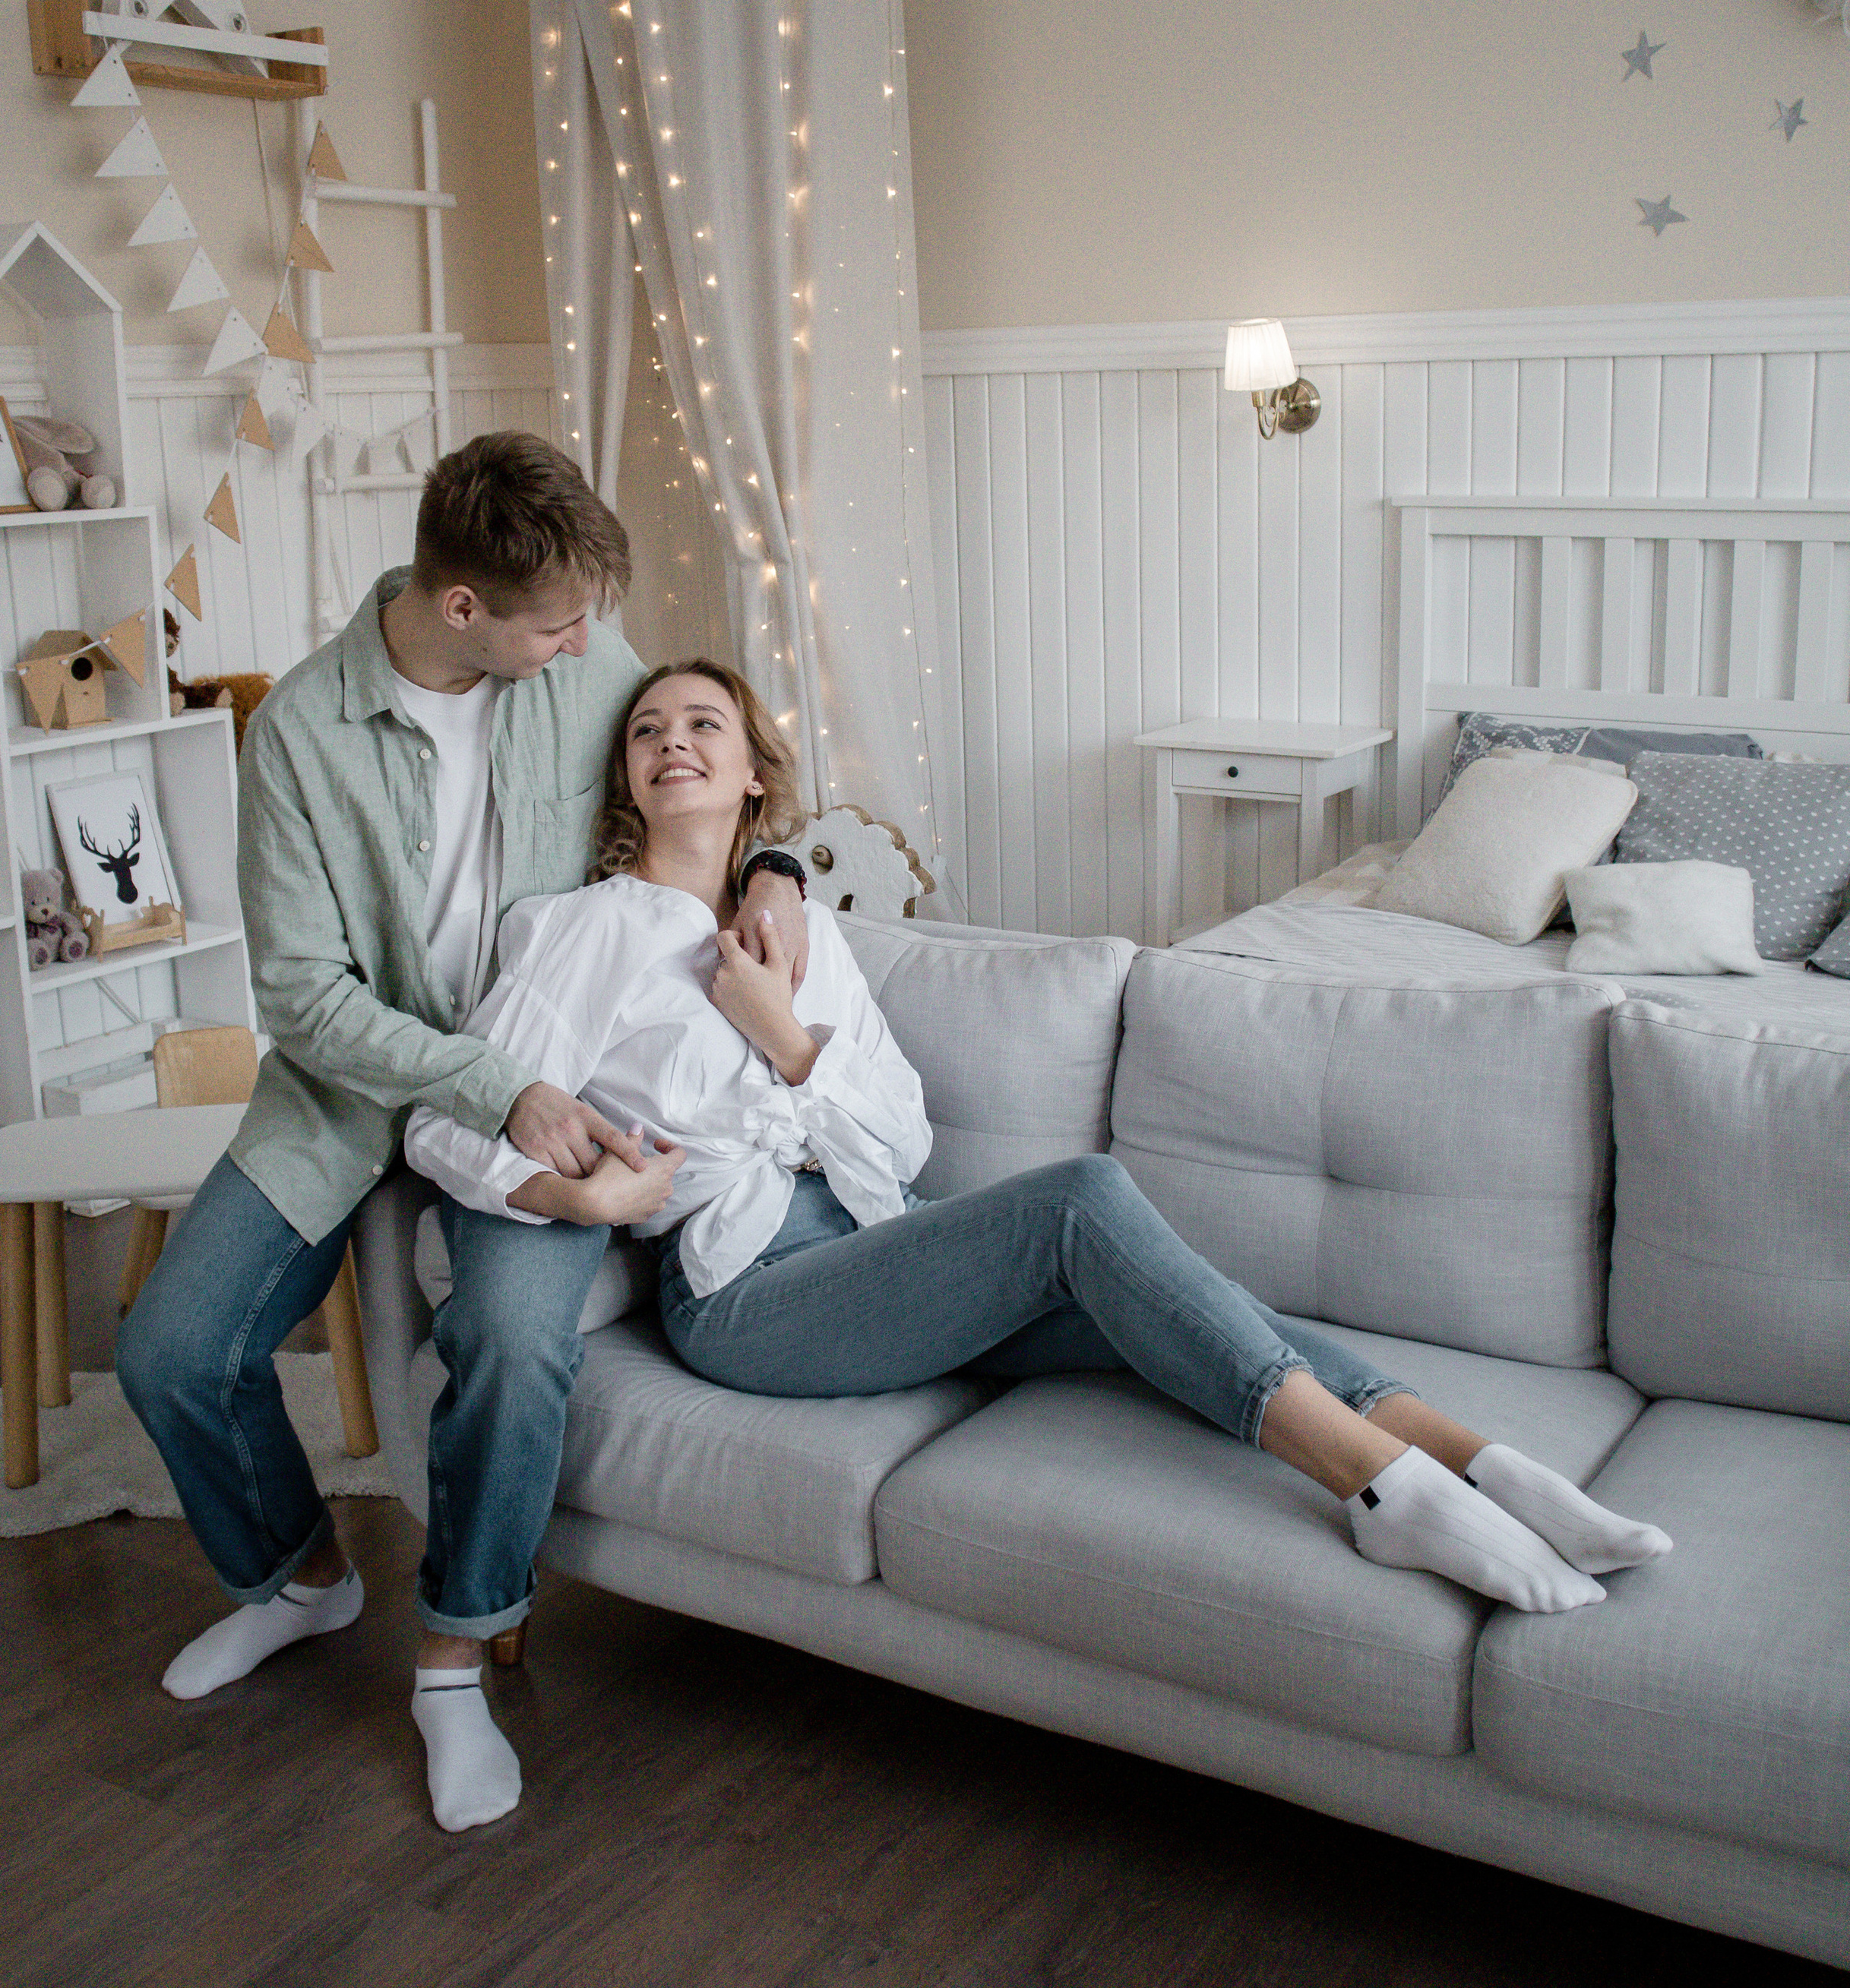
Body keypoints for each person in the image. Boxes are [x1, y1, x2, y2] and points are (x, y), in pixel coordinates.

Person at [406, 659, 1673, 1735]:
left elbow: (897, 1137)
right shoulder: (585, 929)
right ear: (628, 781)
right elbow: (452, 1117)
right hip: (749, 1293)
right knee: (1081, 1201)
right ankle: (1385, 1495)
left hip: (870, 1244)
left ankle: (1484, 1465)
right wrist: (574, 1198)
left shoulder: (811, 936)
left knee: (1193, 1301)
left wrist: (787, 1035)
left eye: (703, 727)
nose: (671, 743)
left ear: (754, 779)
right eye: (647, 732)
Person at [116, 439, 807, 1835]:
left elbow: (713, 749)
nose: (583, 648)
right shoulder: (303, 733)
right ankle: (302, 1580)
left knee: (506, 1338)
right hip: (356, 1091)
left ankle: (451, 1660)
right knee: (173, 1350)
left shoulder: (579, 663)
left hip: (543, 1100)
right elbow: (305, 998)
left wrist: (779, 864)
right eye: (555, 624)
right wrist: (487, 1084)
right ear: (461, 609)